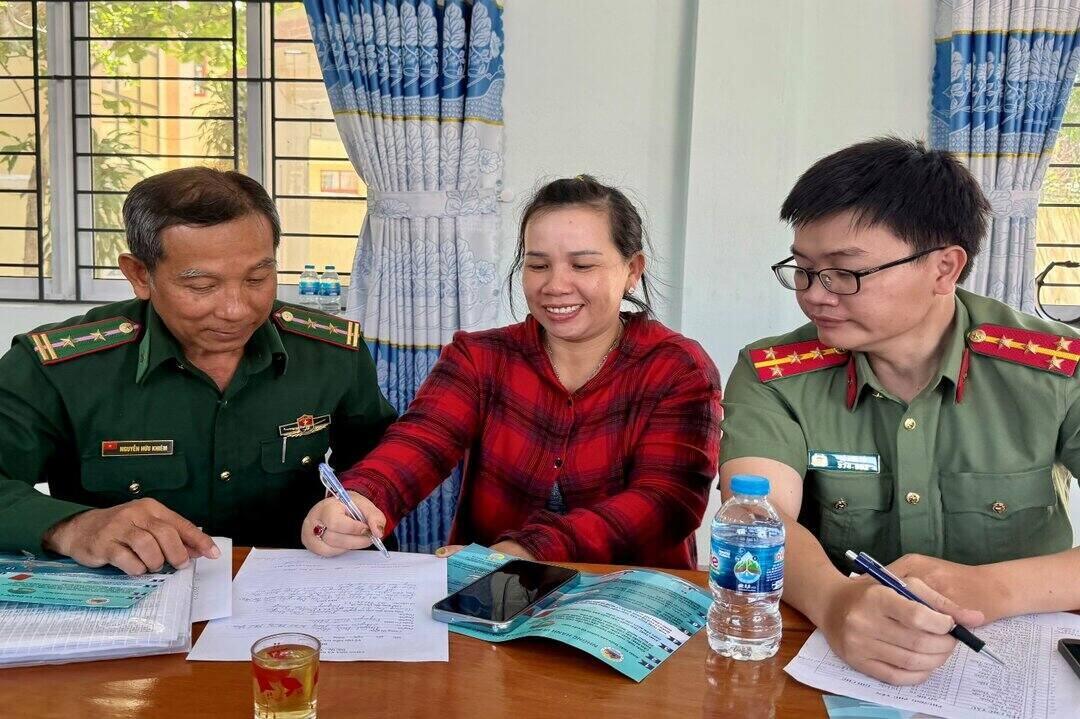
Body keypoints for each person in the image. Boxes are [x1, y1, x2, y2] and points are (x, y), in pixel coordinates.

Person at [719, 137, 1080, 685]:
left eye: (845, 272)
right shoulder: (774, 375)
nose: (815, 294)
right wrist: (836, 601)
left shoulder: (1054, 369)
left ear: (943, 268)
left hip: (1017, 657)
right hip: (842, 650)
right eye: (804, 269)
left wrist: (993, 589)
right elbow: (756, 516)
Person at [302, 175, 722, 569]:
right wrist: (362, 498)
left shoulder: (677, 369)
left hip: (629, 601)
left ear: (632, 270)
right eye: (538, 265)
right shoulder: (480, 357)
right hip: (491, 593)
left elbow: (666, 501)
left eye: (582, 265)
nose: (555, 285)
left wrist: (528, 549)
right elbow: (421, 441)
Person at [0, 167, 397, 575]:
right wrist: (71, 528)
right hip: (130, 600)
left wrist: (358, 504)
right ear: (140, 274)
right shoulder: (61, 367)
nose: (236, 309)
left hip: (292, 596)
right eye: (202, 286)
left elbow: (386, 461)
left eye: (257, 278)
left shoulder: (329, 353)